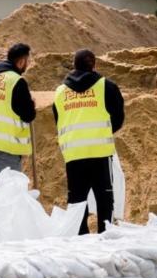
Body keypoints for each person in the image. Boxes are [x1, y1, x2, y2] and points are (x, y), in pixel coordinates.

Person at [53, 49, 124, 235]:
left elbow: (58, 120)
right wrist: (103, 133)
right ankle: (105, 235)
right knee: (104, 197)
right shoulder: (106, 86)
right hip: (100, 152)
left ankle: (80, 238)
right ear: (94, 65)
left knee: (77, 200)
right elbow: (118, 117)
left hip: (74, 154)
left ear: (74, 66)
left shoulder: (60, 92)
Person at [0, 43, 37, 180]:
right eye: (28, 60)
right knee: (9, 192)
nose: (28, 64)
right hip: (6, 146)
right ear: (21, 61)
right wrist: (31, 104)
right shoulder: (17, 81)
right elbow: (28, 115)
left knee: (0, 188)